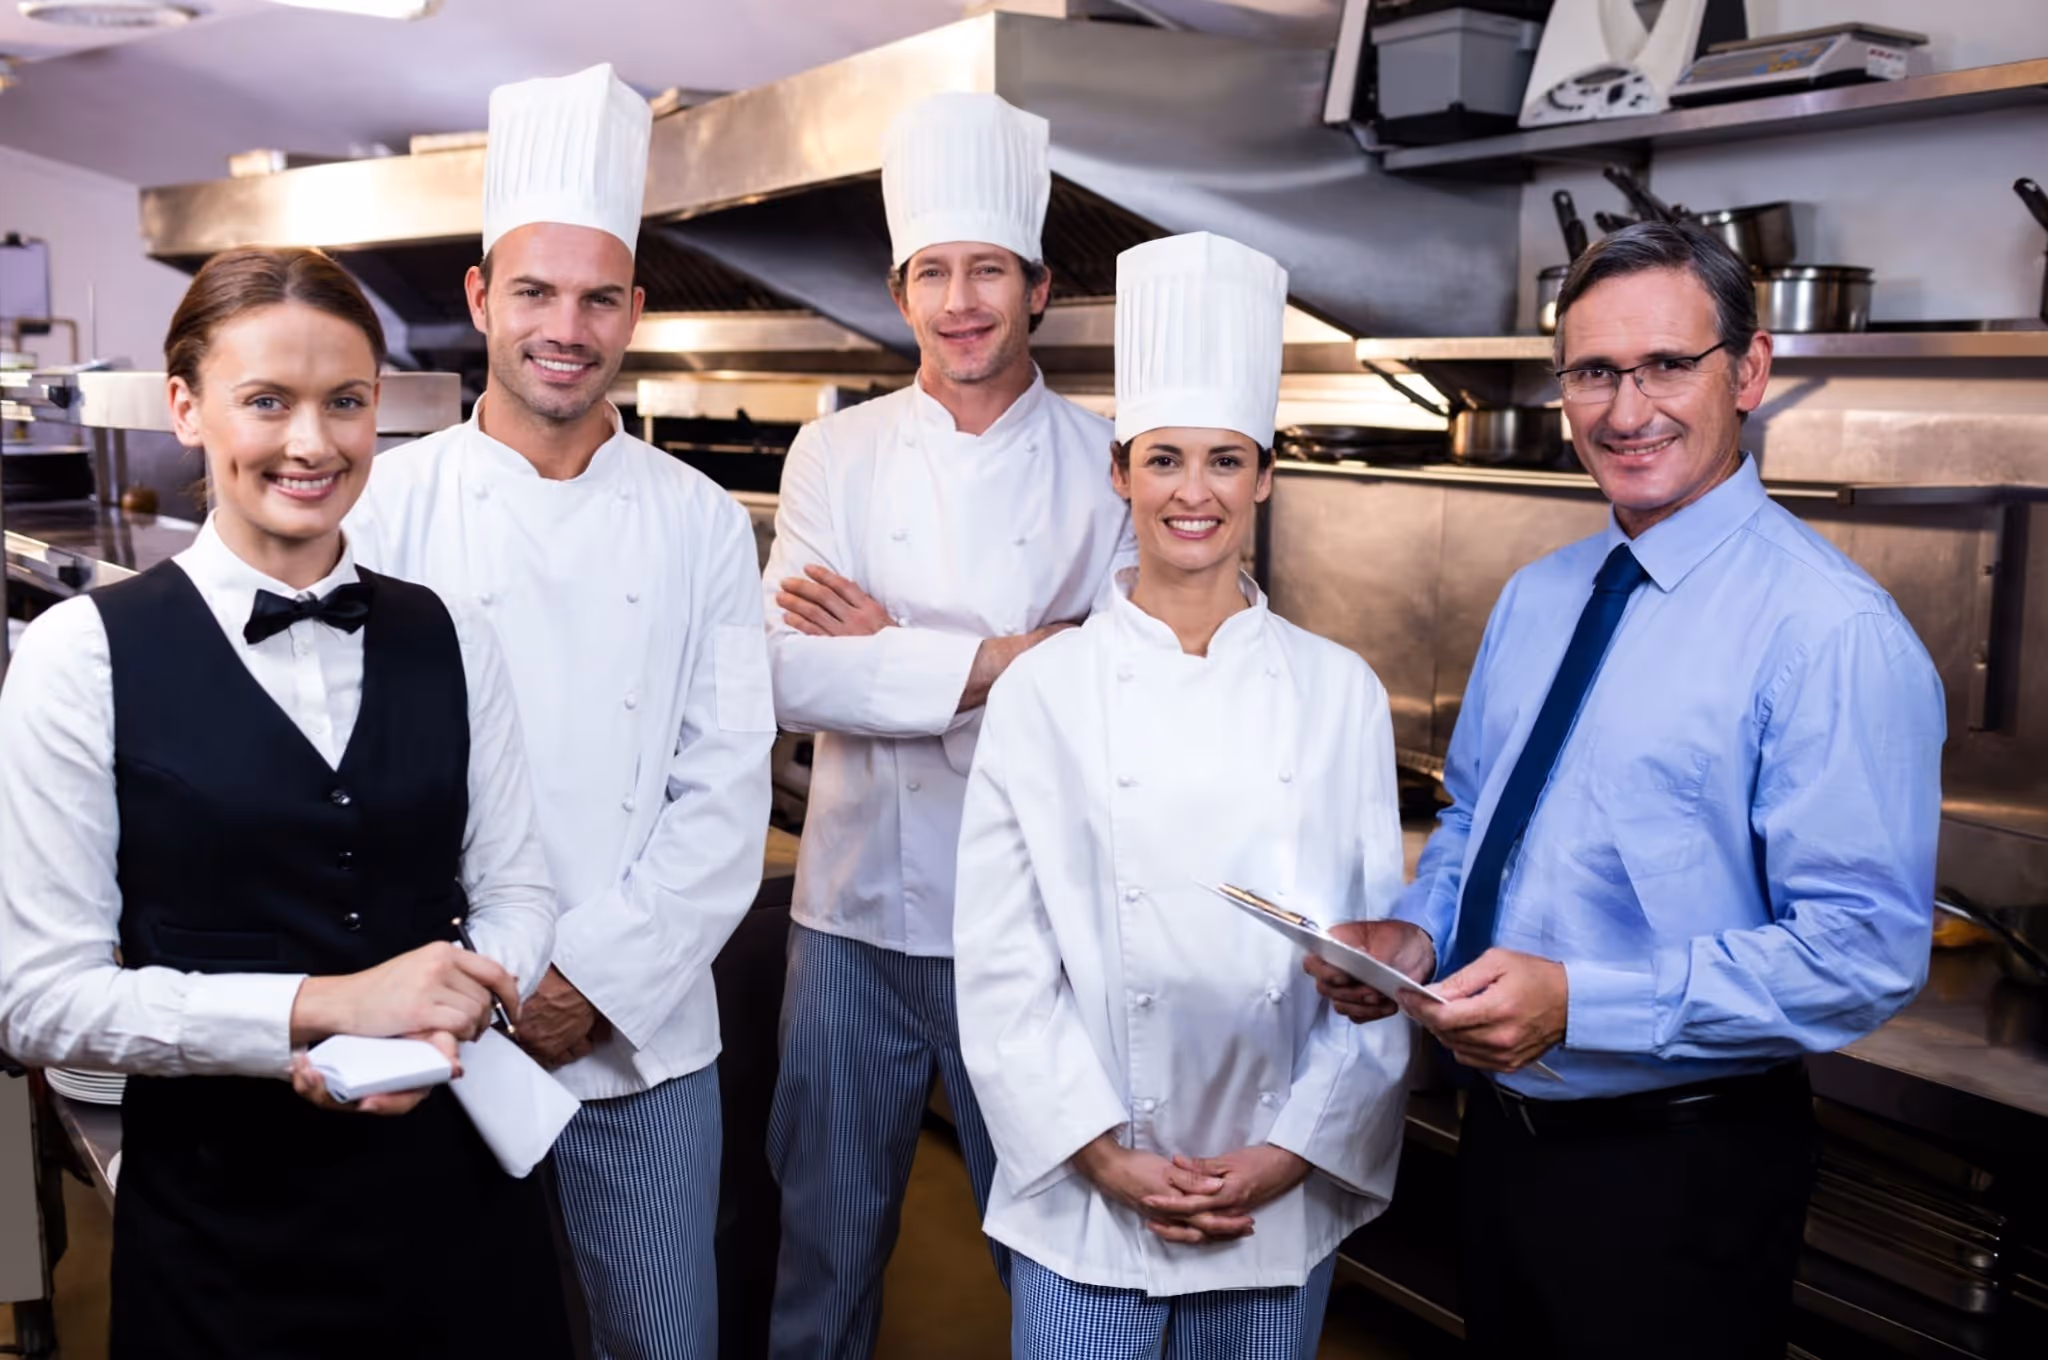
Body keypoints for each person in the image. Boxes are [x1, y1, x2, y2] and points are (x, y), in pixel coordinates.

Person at [1307, 220, 1946, 1360]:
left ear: (1747, 372)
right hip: (1501, 1141)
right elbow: (1473, 818)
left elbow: (1861, 948)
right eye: (1593, 371)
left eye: (1664, 364)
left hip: (1678, 1171)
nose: (1623, 407)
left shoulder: (1828, 631)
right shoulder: (1541, 593)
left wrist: (1580, 1005)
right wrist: (1416, 929)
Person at [0, 247, 570, 1357]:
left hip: (454, 1206)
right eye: (267, 400)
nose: (313, 443)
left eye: (345, 402)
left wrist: (453, 1007)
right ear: (186, 407)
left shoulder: (451, 635)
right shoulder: (84, 656)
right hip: (222, 1232)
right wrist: (315, 1011)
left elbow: (516, 886)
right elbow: (38, 1000)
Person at [345, 65, 773, 1360]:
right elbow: (341, 776)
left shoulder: (700, 521)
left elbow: (729, 777)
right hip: (439, 1028)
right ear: (480, 297)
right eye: (533, 290)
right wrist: (481, 979)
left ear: (636, 312)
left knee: (663, 1343)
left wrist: (589, 978)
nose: (565, 327)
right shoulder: (383, 505)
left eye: (597, 297)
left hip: (638, 1040)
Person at [953, 231, 1411, 1359]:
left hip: (1272, 1194)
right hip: (1083, 1198)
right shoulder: (1045, 691)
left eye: (1222, 460)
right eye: (1162, 459)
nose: (1191, 493)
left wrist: (1290, 1152)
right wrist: (1102, 1151)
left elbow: (1371, 966)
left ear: (1264, 473)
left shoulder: (1337, 691)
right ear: (1119, 472)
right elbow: (1002, 962)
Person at [761, 91, 1135, 1359]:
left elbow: (1125, 696)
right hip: (851, 920)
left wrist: (895, 656)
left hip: (1032, 926)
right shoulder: (836, 454)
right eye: (934, 272)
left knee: (1051, 1252)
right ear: (899, 288)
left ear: (1038, 286)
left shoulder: (1115, 461)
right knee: (822, 1246)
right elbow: (787, 683)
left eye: (988, 271)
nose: (961, 299)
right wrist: (1021, 656)